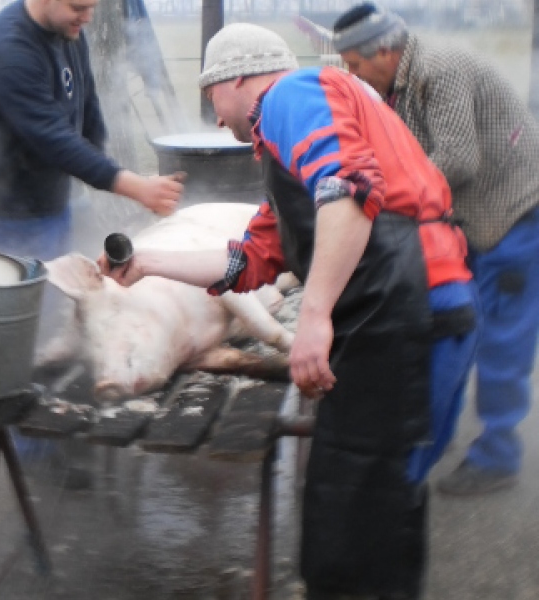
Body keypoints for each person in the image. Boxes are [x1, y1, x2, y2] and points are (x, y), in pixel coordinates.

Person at [101, 23, 478, 600]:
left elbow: (349, 188)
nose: (218, 118)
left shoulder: (292, 96)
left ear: (240, 79)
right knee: (366, 499)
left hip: (414, 309)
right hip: (396, 318)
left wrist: (314, 315)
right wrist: (148, 263)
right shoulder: (290, 147)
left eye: (213, 98)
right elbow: (246, 262)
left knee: (367, 510)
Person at [332, 2, 539, 497]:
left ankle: (498, 458)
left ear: (384, 51)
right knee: (452, 326)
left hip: (512, 218)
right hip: (472, 222)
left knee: (500, 343)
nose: (352, 76)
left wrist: (375, 203)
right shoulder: (399, 82)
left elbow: (455, 162)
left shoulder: (440, 71)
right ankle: (436, 430)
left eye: (355, 66)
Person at [0, 0, 183, 264]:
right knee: (23, 301)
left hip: (55, 202)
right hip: (2, 216)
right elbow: (53, 139)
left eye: (92, 7)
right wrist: (135, 187)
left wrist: (118, 172)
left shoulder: (68, 32)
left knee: (61, 293)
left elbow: (88, 108)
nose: (87, 17)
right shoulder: (8, 51)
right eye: (78, 7)